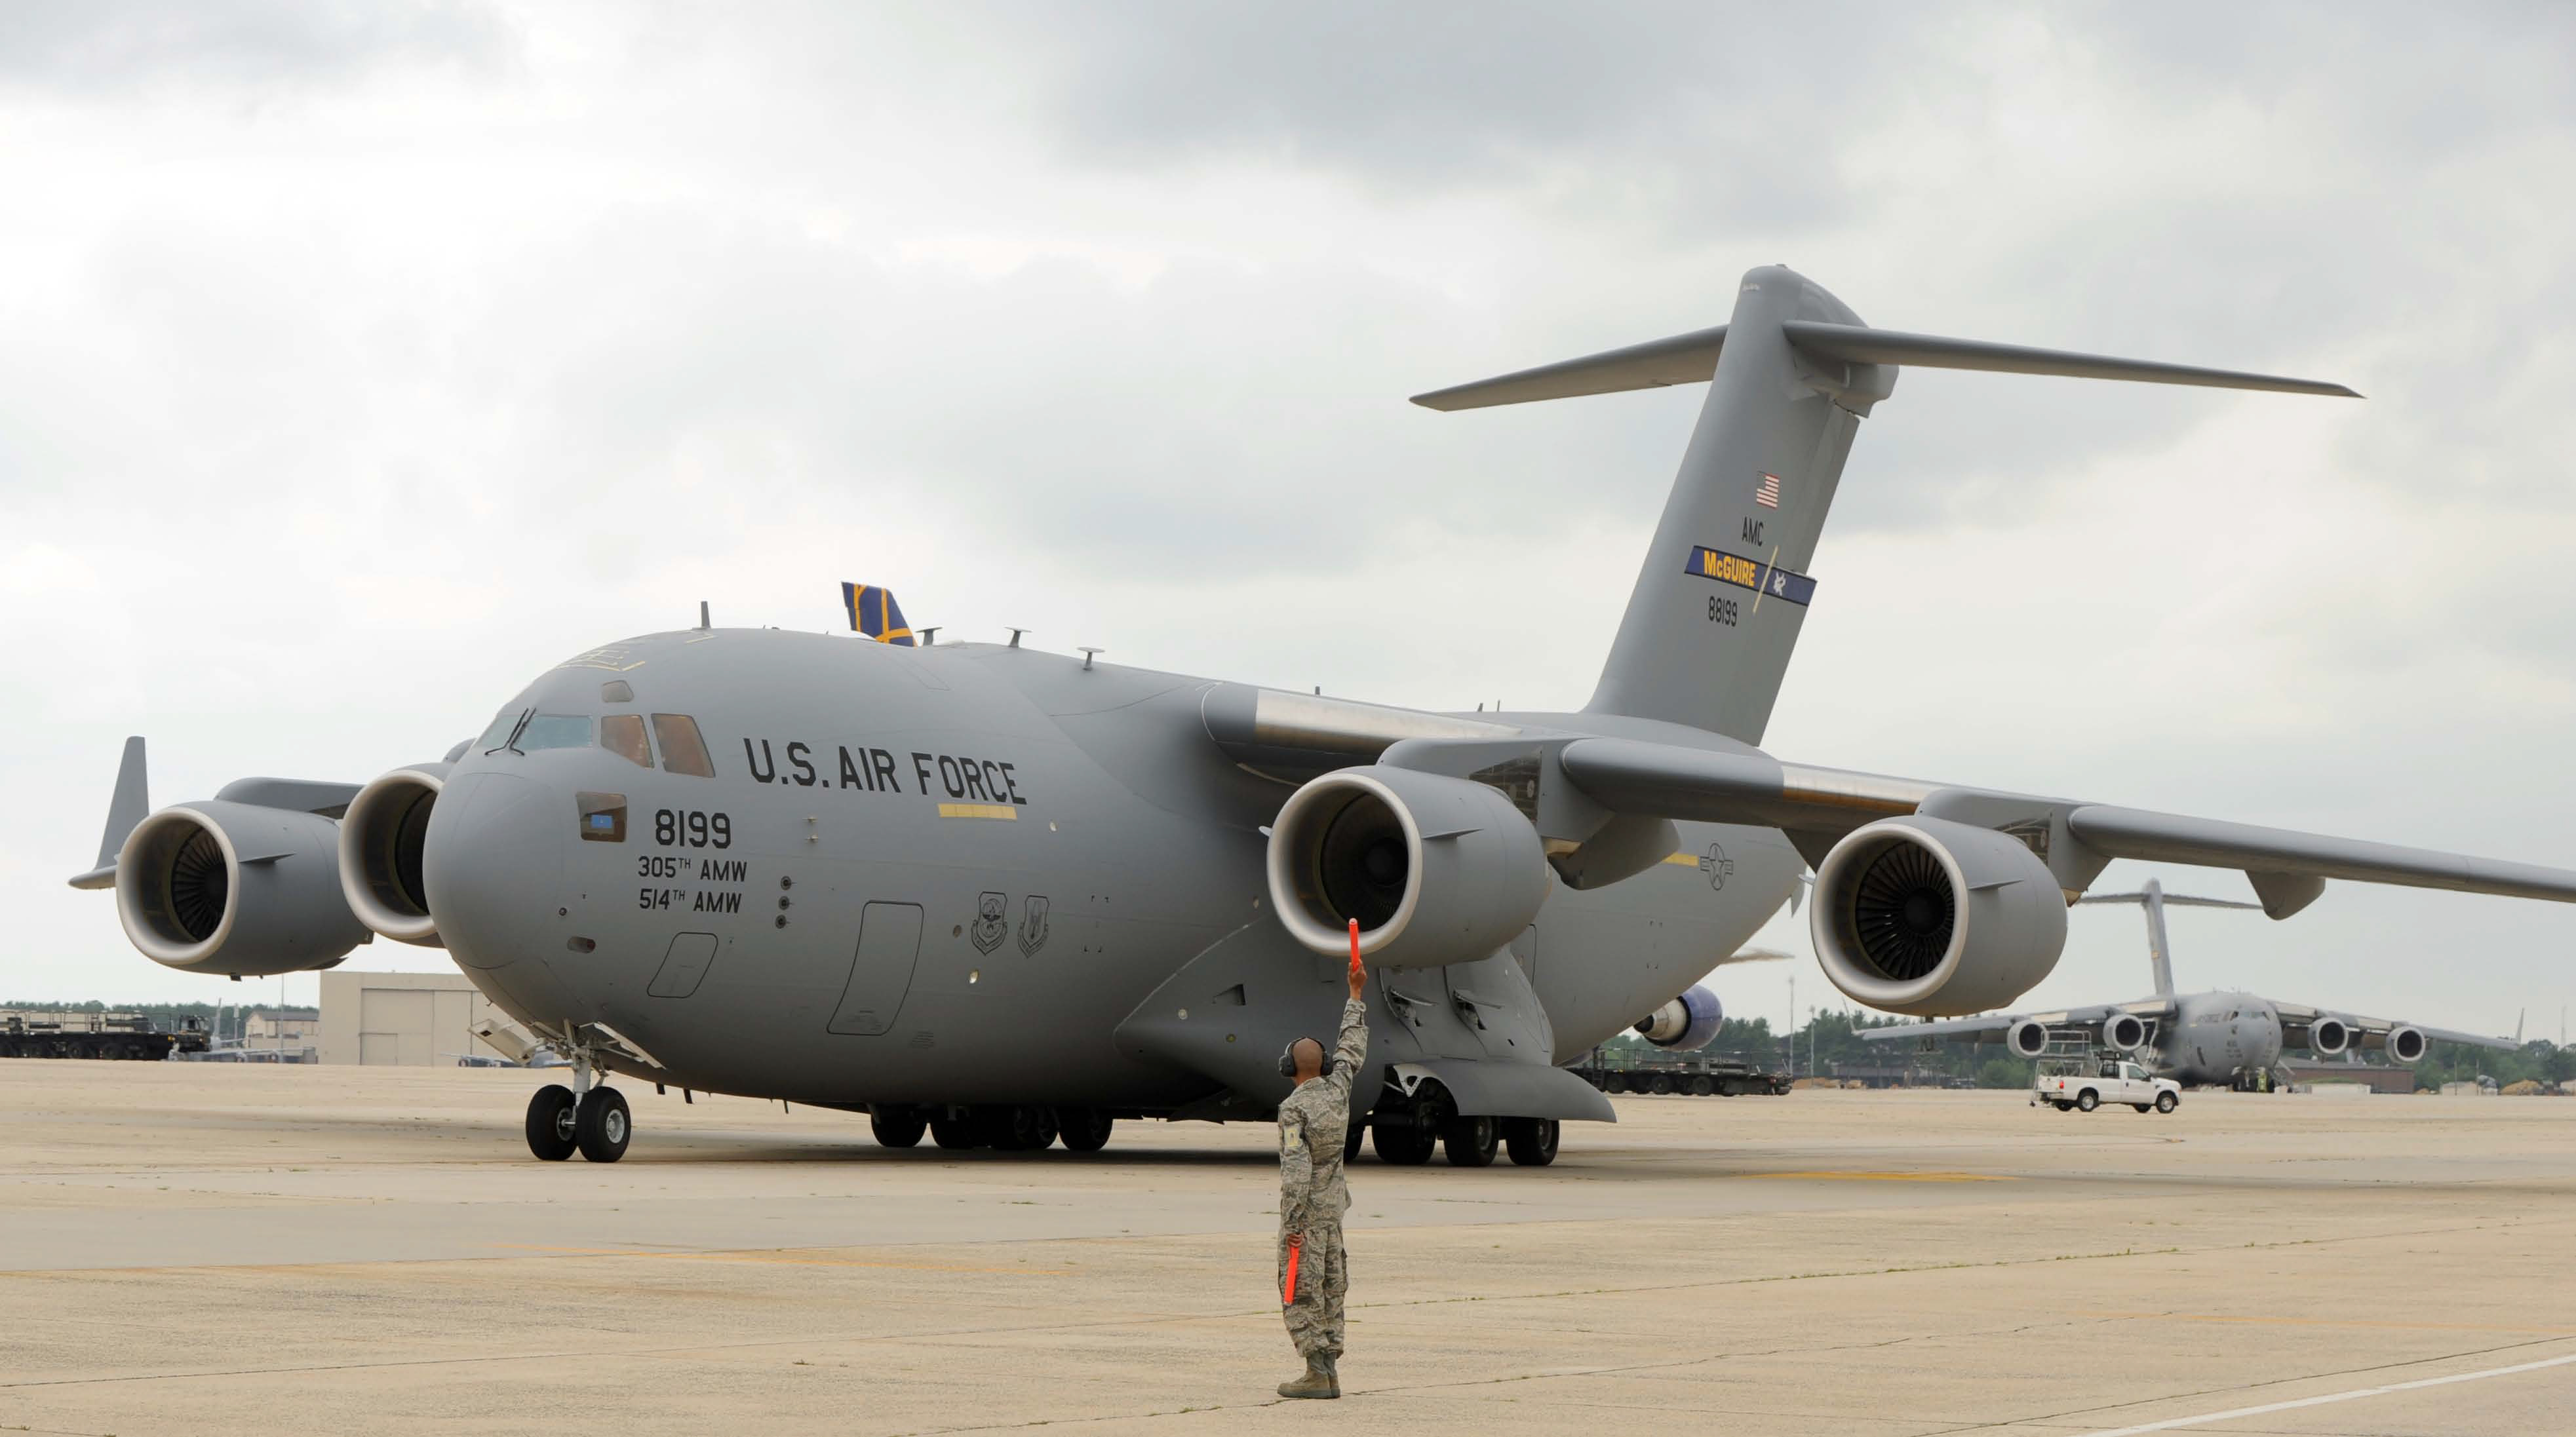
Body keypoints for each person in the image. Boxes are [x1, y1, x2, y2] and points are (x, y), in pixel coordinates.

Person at [1274, 951, 1369, 1399]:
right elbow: (1352, 1047)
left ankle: (1316, 1373)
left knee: (1300, 1287)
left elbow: (1296, 1171)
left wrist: (1292, 1223)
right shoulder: (1338, 1089)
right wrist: (1355, 992)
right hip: (1332, 1216)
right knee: (1332, 1285)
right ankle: (1329, 1371)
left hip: (1308, 1218)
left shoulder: (1293, 1109)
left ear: (1289, 1068)